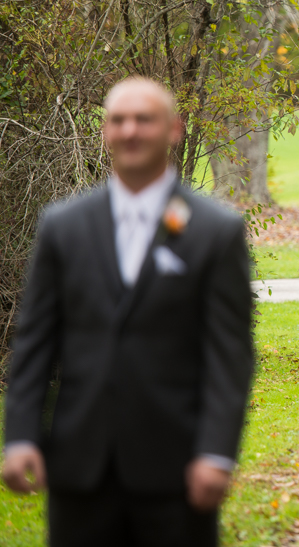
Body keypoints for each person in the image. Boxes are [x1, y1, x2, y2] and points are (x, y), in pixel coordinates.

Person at [2, 77, 254, 546]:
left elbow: (230, 356)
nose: (130, 130)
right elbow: (35, 341)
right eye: (118, 120)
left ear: (174, 129)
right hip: (80, 469)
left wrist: (216, 453)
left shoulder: (215, 233)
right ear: (104, 133)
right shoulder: (63, 227)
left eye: (144, 119)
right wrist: (20, 436)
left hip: (177, 470)